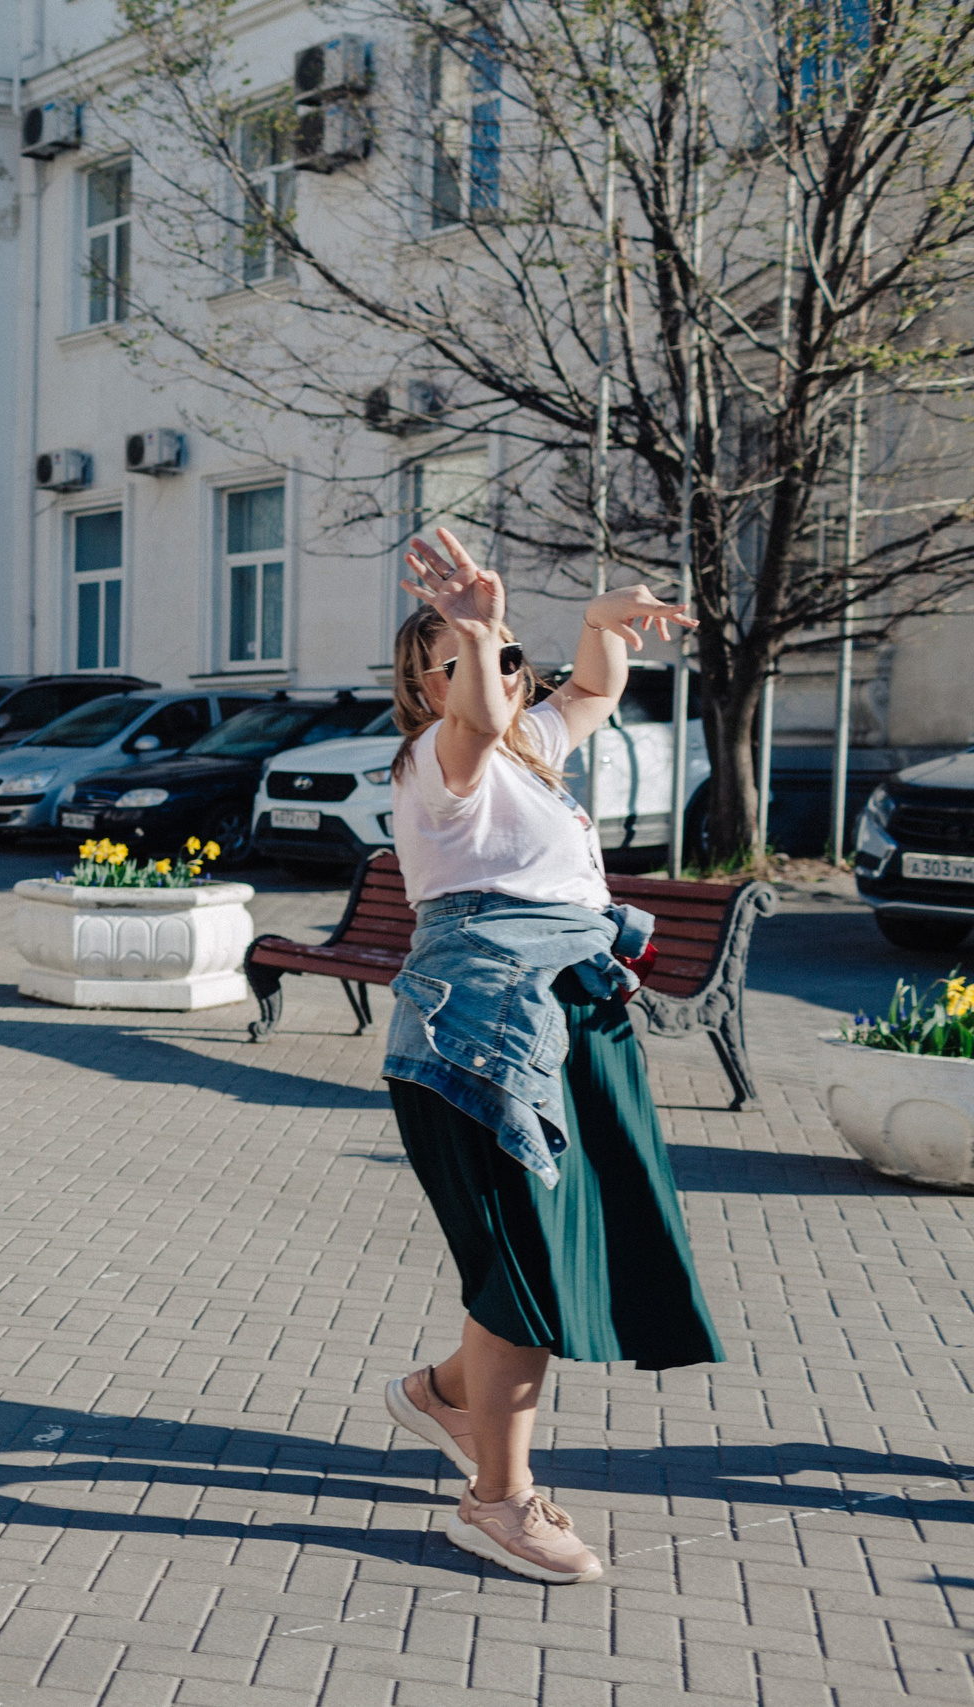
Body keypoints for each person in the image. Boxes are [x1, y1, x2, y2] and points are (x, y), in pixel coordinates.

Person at [378, 527, 723, 1586]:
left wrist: (599, 624)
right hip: (479, 1036)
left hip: (563, 1016)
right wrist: (478, 633)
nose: (505, 672)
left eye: (513, 653)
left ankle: (441, 1396)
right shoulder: (443, 764)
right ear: (425, 686)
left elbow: (593, 694)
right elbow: (479, 715)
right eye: (471, 657)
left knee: (539, 1260)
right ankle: (497, 1501)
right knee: (525, 1272)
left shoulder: (527, 756)